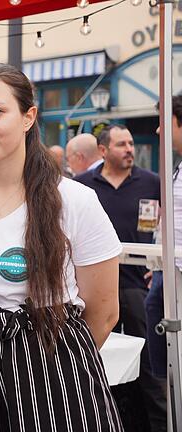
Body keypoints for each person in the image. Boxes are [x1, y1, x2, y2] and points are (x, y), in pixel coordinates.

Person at [0, 62, 123, 431]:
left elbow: (104, 312)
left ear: (27, 116)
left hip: (56, 373)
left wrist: (47, 363)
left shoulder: (75, 200)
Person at [74, 124, 166, 432]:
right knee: (96, 354)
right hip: (93, 287)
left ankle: (156, 424)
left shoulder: (153, 182)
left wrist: (161, 263)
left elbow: (171, 223)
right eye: (121, 144)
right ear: (102, 151)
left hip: (137, 285)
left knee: (149, 361)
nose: (129, 148)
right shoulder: (83, 185)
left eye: (130, 143)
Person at [146, 94, 182, 379]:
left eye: (163, 122)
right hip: (168, 269)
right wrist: (158, 261)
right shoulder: (177, 168)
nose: (158, 130)